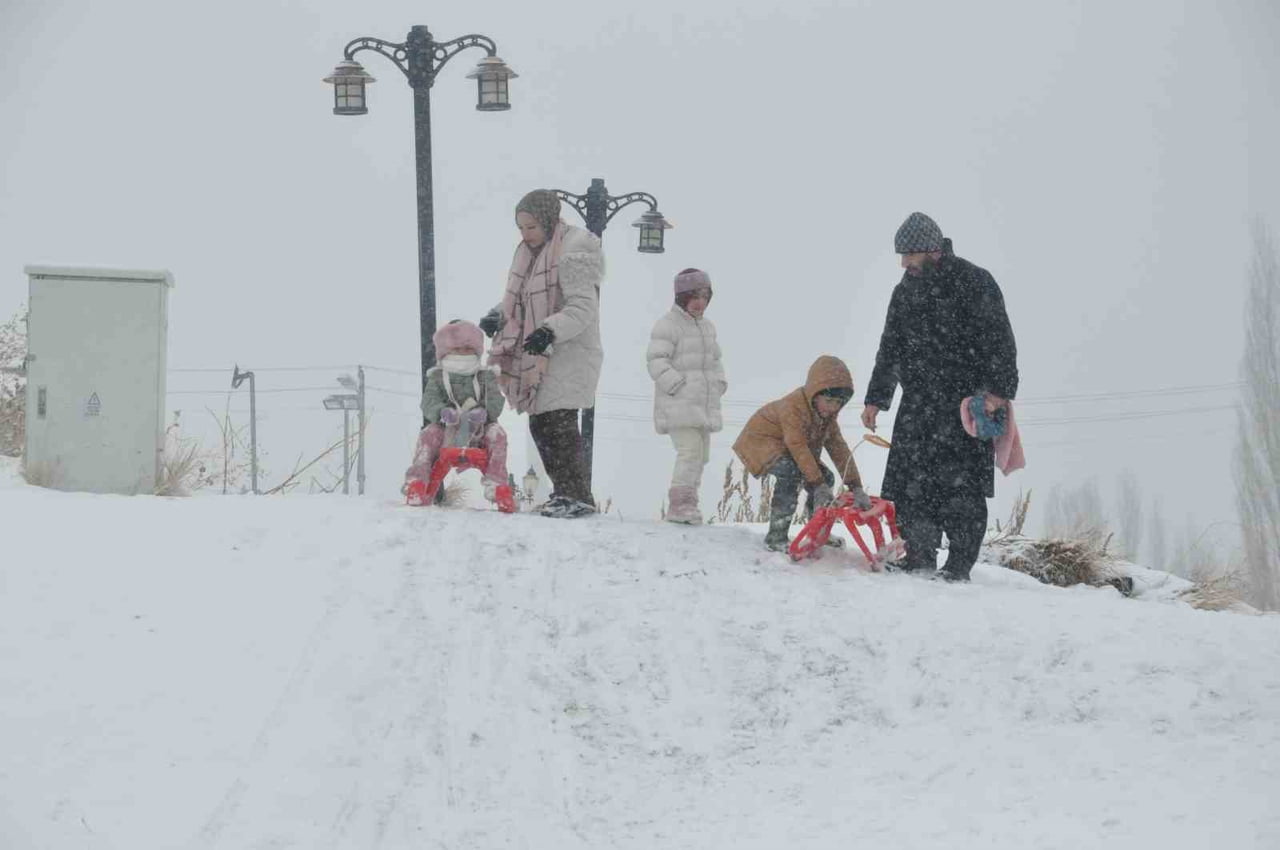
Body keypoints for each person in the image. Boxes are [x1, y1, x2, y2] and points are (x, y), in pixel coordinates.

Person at [861, 212, 1019, 581]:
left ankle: (958, 566)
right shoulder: (904, 290)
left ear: (931, 250)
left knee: (961, 488)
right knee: (911, 486)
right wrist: (876, 398)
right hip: (917, 405)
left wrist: (997, 393)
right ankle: (919, 557)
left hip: (964, 405)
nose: (903, 263)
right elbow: (891, 348)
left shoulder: (975, 281)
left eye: (909, 255)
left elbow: (1000, 341)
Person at [480, 189, 604, 519]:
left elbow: (582, 308)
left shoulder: (573, 249)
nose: (525, 234)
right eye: (520, 228)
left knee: (558, 425)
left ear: (548, 220)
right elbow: (521, 299)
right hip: (539, 353)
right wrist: (498, 314)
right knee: (542, 426)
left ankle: (575, 496)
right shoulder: (530, 254)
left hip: (568, 351)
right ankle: (568, 494)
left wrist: (549, 329)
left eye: (531, 226)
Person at [733, 355, 872, 552]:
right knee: (792, 474)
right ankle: (776, 538)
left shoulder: (827, 418)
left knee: (826, 477)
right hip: (760, 443)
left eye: (838, 403)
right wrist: (817, 484)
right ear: (814, 394)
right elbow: (797, 445)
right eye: (829, 400)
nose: (833, 407)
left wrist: (855, 486)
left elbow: (839, 449)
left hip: (786, 447)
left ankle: (817, 531)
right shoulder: (793, 407)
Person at [646, 268, 727, 524]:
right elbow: (656, 360)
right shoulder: (668, 325)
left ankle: (690, 503)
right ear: (681, 297)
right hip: (678, 405)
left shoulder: (708, 327)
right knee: (689, 451)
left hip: (703, 405)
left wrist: (719, 383)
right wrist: (677, 385)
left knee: (701, 455)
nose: (699, 302)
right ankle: (679, 505)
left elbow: (715, 360)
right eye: (693, 296)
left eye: (704, 296)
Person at [403, 319, 511, 509]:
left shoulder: (485, 376)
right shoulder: (437, 377)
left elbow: (495, 399)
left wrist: (485, 412)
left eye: (468, 349)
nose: (463, 353)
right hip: (447, 430)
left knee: (497, 434)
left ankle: (497, 485)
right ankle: (417, 483)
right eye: (458, 349)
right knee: (428, 435)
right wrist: (441, 412)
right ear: (446, 351)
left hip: (479, 431)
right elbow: (428, 401)